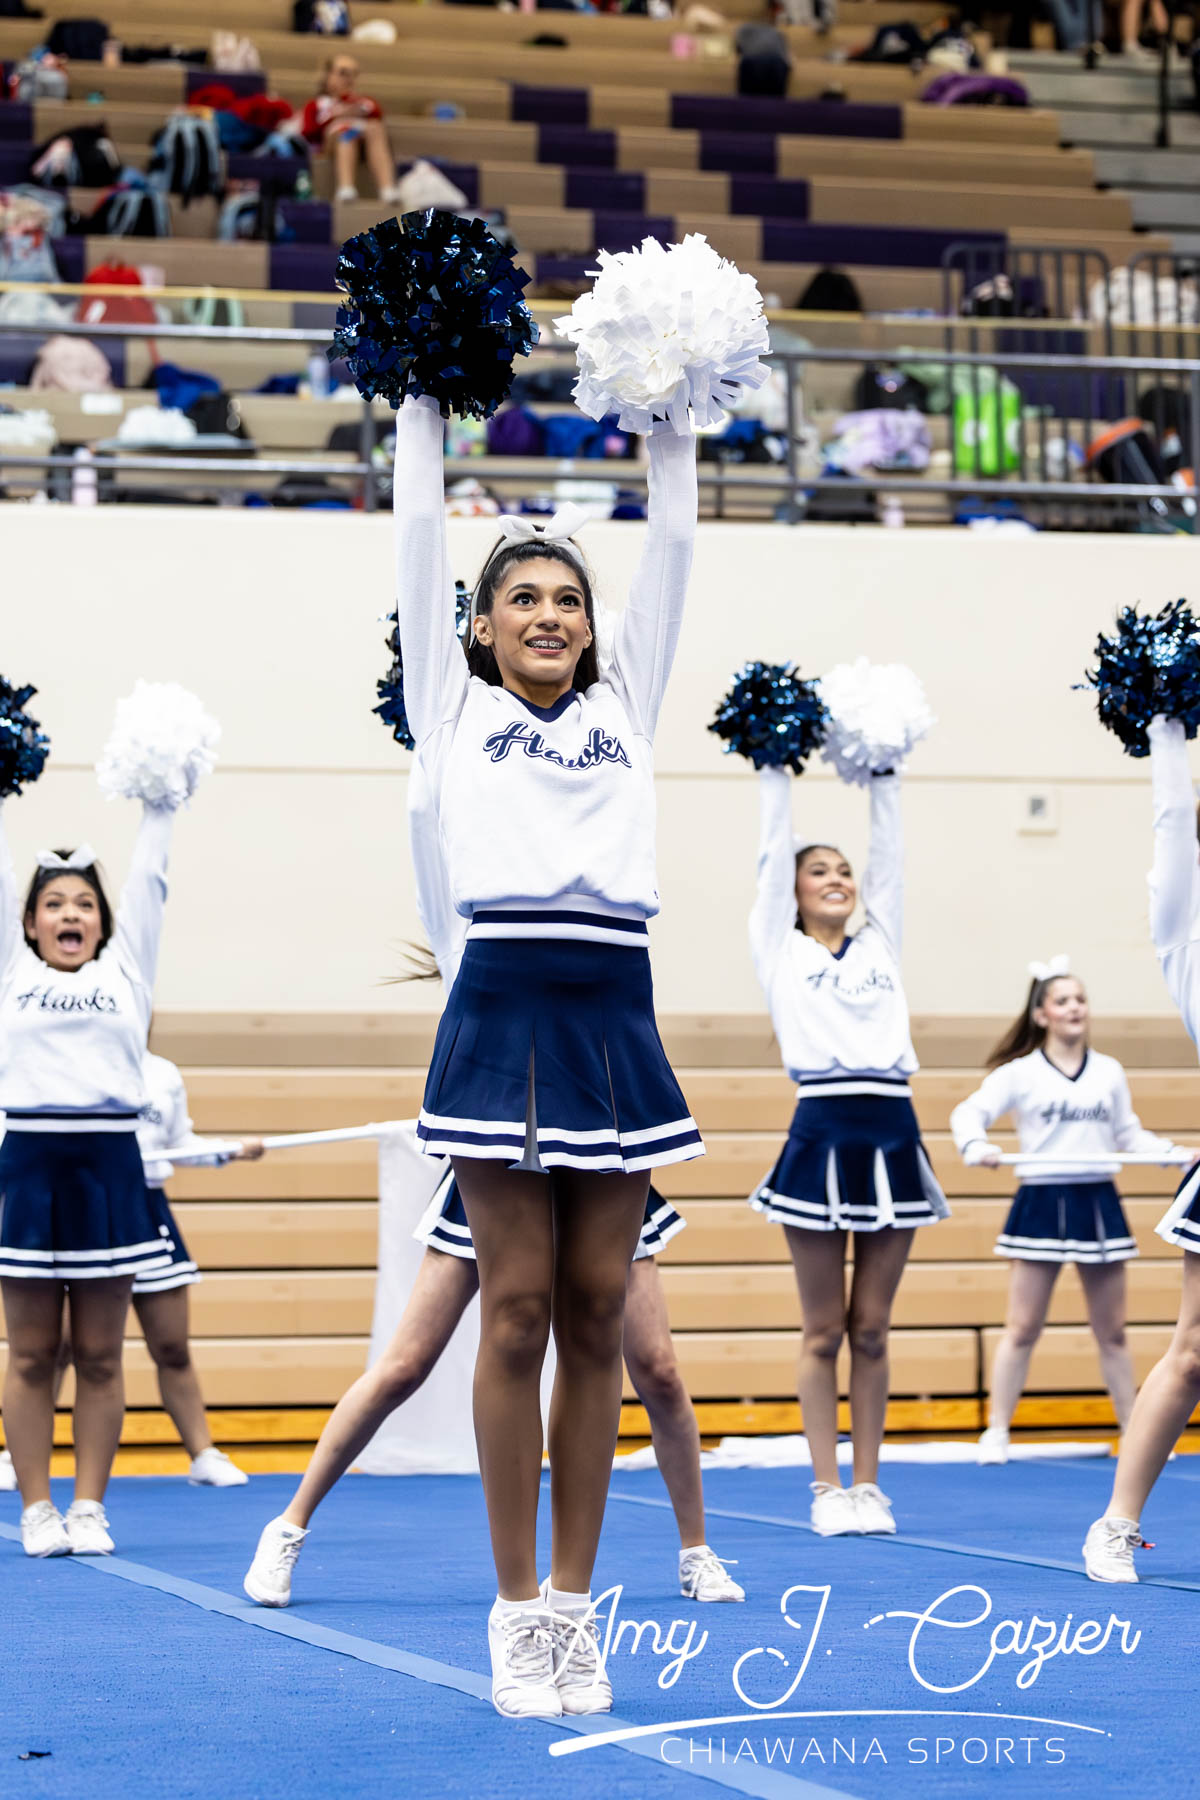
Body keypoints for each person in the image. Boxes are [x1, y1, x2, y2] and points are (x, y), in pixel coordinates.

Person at [389, 387, 700, 1719]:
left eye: (567, 599)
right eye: (521, 598)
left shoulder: (629, 699)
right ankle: (515, 1612)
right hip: (503, 1010)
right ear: (479, 625)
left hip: (615, 1012)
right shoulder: (450, 712)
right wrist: (419, 398)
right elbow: (415, 537)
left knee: (595, 1315)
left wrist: (674, 409)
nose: (549, 615)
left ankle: (576, 1607)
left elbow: (674, 543)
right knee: (512, 1309)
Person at [243, 1177, 744, 1608]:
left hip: (597, 1164)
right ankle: (289, 1525)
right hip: (504, 1166)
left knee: (659, 1371)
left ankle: (695, 1551)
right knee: (404, 1366)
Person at [747, 764, 948, 1539]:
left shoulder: (880, 943)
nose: (836, 879)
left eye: (843, 871)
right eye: (818, 871)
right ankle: (825, 1487)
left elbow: (891, 862)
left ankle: (869, 1485)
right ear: (793, 893)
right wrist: (774, 766)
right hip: (822, 1131)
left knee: (872, 1328)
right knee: (822, 1329)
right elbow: (771, 855)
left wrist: (886, 776)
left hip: (892, 1130)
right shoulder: (780, 950)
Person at [0, 810, 177, 1557]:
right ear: (30, 923)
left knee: (102, 1353)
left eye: (83, 904)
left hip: (108, 1167)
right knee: (31, 1353)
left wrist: (161, 807)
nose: (69, 914)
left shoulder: (126, 970)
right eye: (53, 904)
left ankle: (90, 1506)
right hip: (29, 1166)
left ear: (103, 922)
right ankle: (37, 1507)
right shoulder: (13, 972)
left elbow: (150, 883)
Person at [951, 962, 1193, 1468]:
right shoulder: (1019, 1073)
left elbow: (1128, 1134)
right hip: (1040, 1200)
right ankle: (997, 1430)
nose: (1074, 1008)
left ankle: (1136, 1432)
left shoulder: (1108, 1071)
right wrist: (975, 1144)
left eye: (1080, 999)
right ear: (1041, 1014)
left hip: (1097, 1202)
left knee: (1113, 1333)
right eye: (1062, 1001)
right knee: (1022, 1327)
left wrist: (1174, 1155)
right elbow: (968, 1112)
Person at [1084, 716, 1200, 1580]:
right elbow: (1171, 831)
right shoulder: (1187, 935)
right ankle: (1115, 1524)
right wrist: (1166, 725)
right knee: (1193, 1353)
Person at [299, 54, 401, 207]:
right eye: (343, 73)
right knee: (346, 132)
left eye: (354, 74)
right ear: (328, 75)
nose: (349, 79)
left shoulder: (365, 102)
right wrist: (335, 116)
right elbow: (309, 133)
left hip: (363, 141)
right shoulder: (317, 104)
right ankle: (346, 187)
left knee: (374, 127)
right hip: (335, 143)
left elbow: (377, 118)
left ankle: (387, 188)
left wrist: (355, 111)